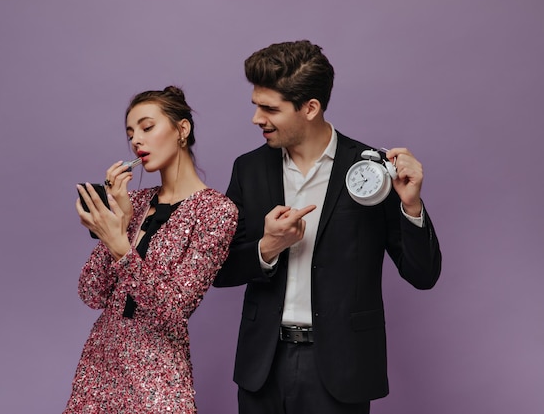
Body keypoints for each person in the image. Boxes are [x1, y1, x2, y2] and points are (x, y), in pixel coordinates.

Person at [213, 40, 442, 414]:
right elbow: (218, 270)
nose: (257, 118)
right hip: (262, 369)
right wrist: (267, 248)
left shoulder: (372, 171)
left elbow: (423, 274)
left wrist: (412, 205)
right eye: (256, 105)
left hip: (341, 371)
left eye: (269, 108)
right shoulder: (248, 169)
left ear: (310, 108)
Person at [64, 86, 238, 414]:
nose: (136, 141)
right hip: (100, 364)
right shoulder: (137, 202)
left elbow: (174, 310)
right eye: (130, 133)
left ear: (182, 129)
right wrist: (117, 224)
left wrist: (120, 247)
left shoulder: (216, 211)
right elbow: (91, 294)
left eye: (147, 128)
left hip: (156, 374)